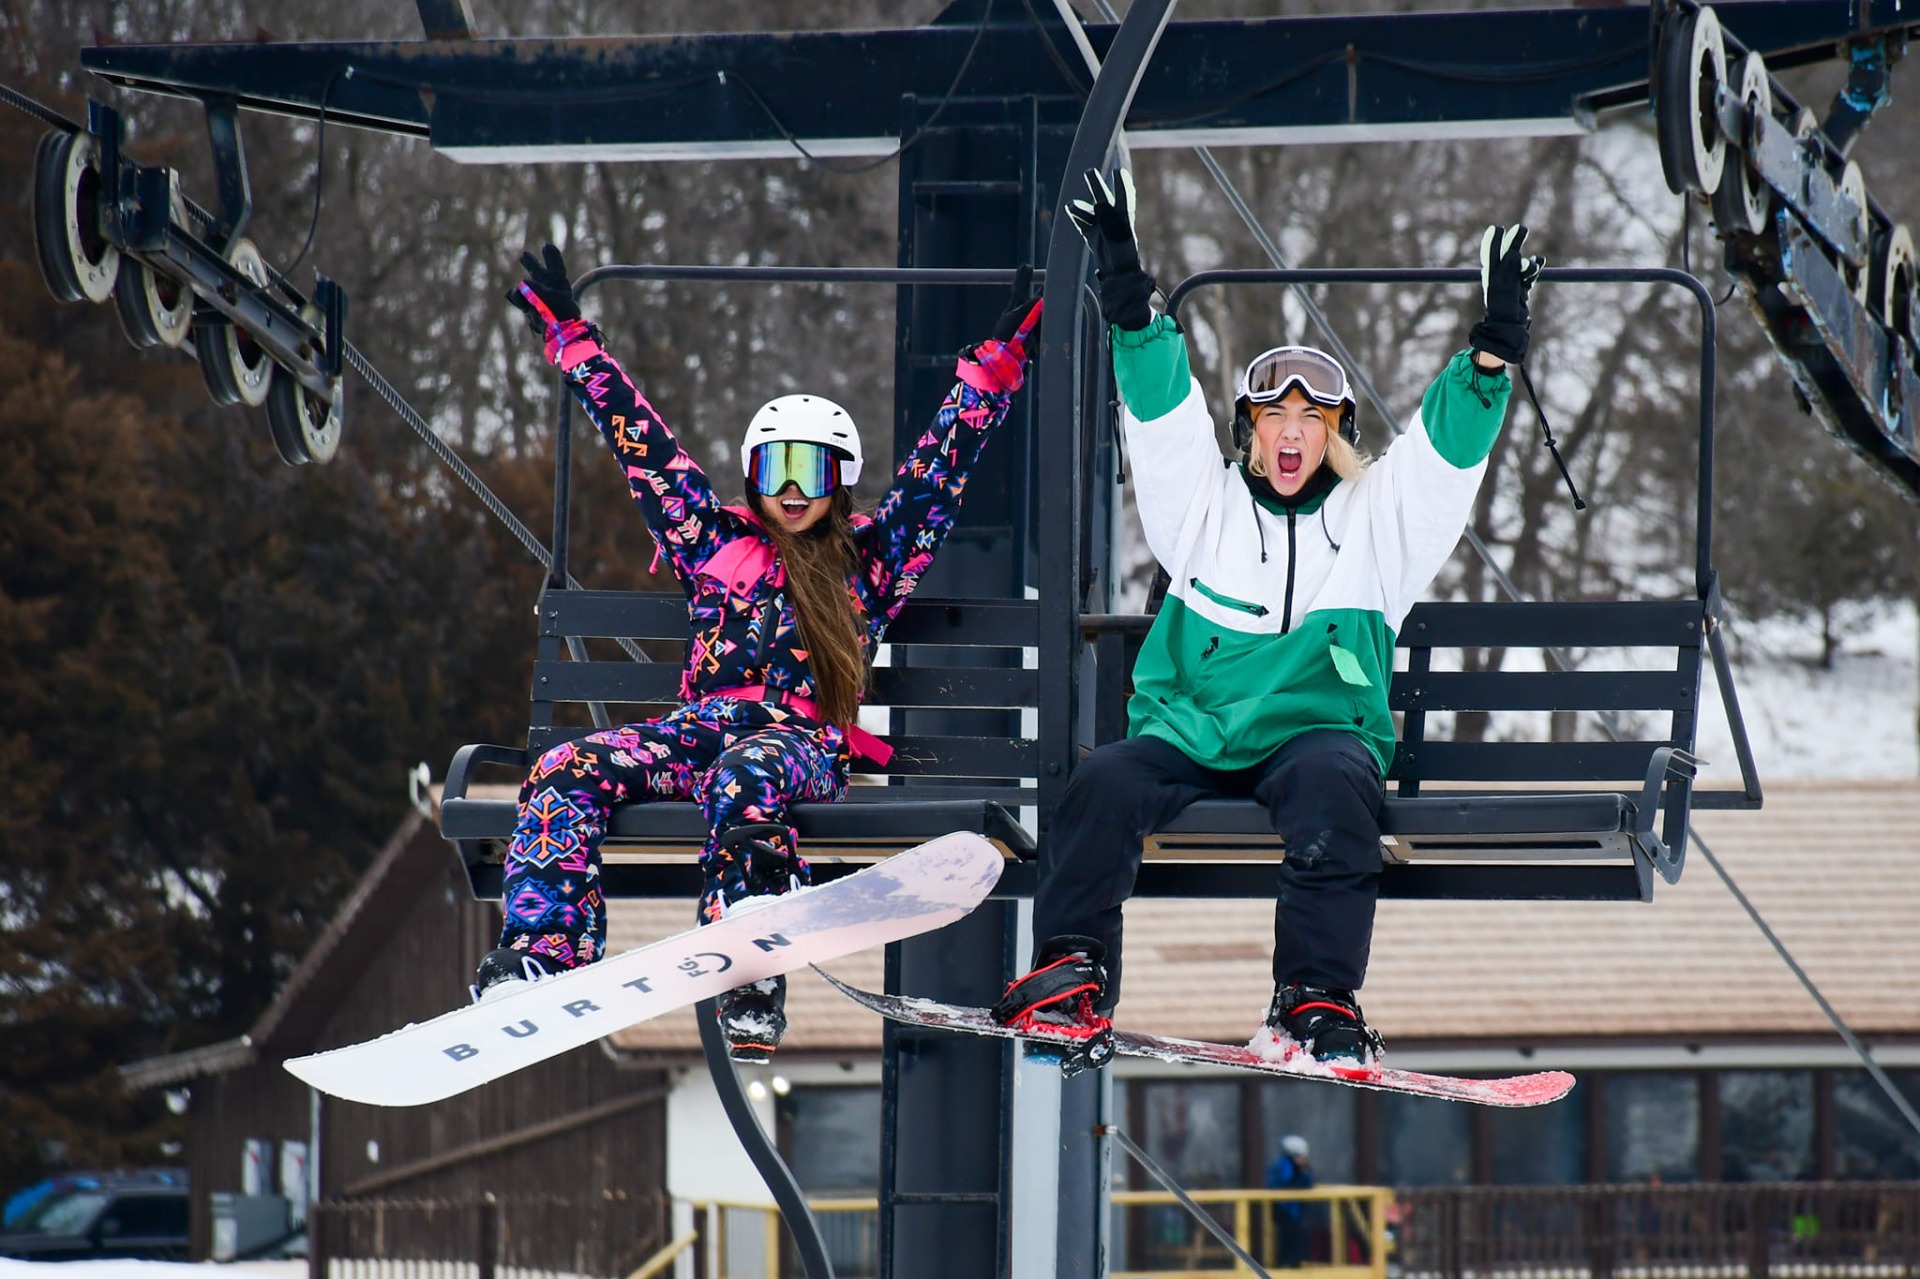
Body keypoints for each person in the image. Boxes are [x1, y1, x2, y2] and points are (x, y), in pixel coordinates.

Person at [993, 168, 1542, 1068]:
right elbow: (1163, 419)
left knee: (1337, 786)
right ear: (1249, 430)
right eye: (1273, 416)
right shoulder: (1203, 509)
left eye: (1311, 417)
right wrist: (1128, 294)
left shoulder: (1378, 522)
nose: (1291, 433)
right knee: (1104, 784)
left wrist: (1491, 354)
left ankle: (1313, 997)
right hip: (1194, 728)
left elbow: (1443, 460)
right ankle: (1072, 969)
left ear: (1336, 432)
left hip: (1314, 732)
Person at [474, 243, 1044, 1061]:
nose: (792, 489)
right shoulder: (711, 544)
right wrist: (576, 345)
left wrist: (990, 377)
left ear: (840, 478)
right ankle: (544, 951)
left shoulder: (870, 562)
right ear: (751, 475)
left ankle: (749, 965)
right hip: (702, 729)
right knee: (566, 767)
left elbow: (936, 476)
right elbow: (646, 452)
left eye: (812, 470)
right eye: (776, 468)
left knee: (747, 774)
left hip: (799, 743)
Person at [1265, 1134, 1321, 1268]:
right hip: (1285, 1209)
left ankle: (1295, 1262)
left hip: (1296, 1210)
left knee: (1297, 1237)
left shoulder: (1299, 1168)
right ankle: (1285, 1263)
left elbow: (1307, 1183)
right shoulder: (1282, 1166)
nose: (1302, 1159)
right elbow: (1279, 1184)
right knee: (1285, 1237)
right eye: (1299, 1156)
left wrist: (1304, 1172)